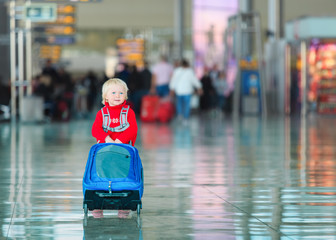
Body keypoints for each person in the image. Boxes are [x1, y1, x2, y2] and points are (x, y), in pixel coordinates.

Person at [91, 78, 138, 218]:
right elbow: (96, 129)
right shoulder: (102, 113)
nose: (117, 96)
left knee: (123, 177)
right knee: (102, 176)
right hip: (104, 153)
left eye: (121, 93)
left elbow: (132, 129)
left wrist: (118, 141)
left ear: (126, 95)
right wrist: (107, 140)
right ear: (105, 96)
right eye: (113, 93)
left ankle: (124, 205)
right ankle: (97, 204)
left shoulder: (129, 113)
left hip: (123, 152)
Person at [169, 59, 203, 123]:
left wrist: (172, 89)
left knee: (179, 104)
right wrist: (199, 87)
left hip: (179, 91)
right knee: (187, 105)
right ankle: (186, 118)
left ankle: (179, 115)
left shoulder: (177, 71)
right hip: (187, 91)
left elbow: (173, 80)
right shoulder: (190, 71)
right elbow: (194, 80)